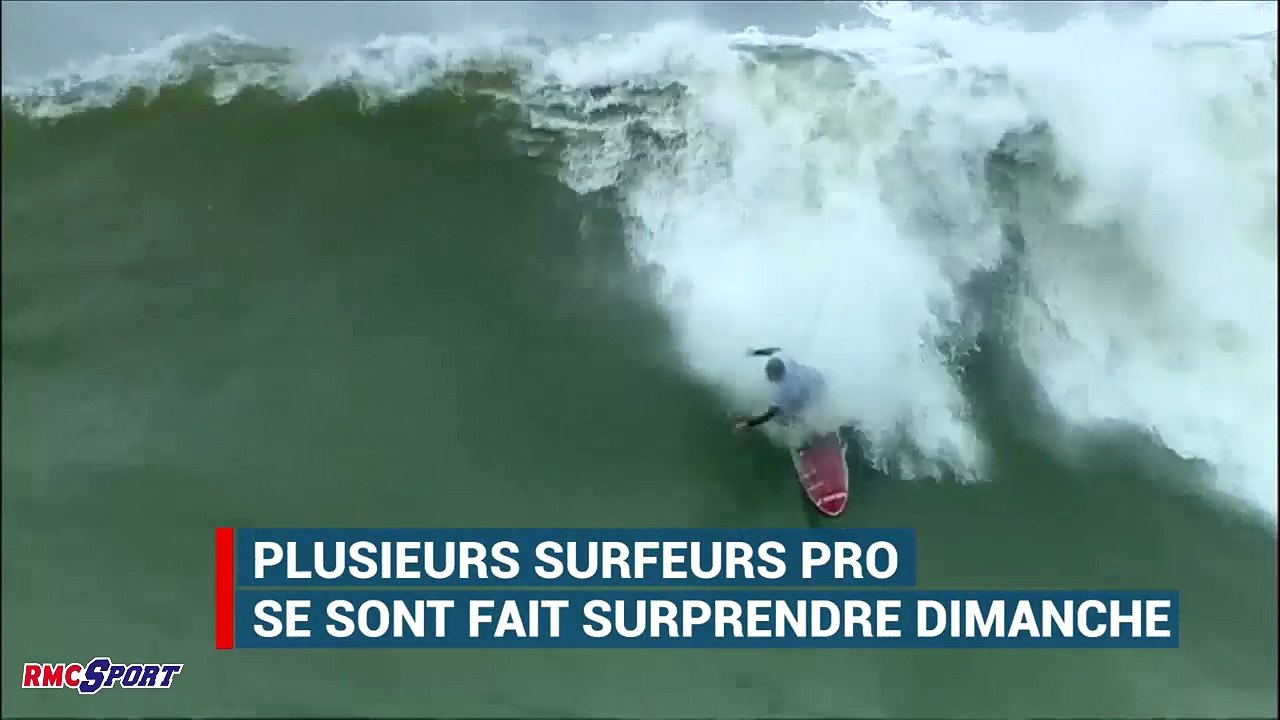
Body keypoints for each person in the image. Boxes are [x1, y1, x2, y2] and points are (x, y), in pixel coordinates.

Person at [733, 347, 828, 448]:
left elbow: (771, 414)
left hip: (815, 389)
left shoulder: (786, 389)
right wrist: (755, 352)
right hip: (814, 376)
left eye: (769, 374)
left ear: (778, 374)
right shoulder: (783, 359)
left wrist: (749, 423)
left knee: (784, 418)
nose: (767, 375)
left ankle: (812, 436)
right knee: (788, 408)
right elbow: (775, 350)